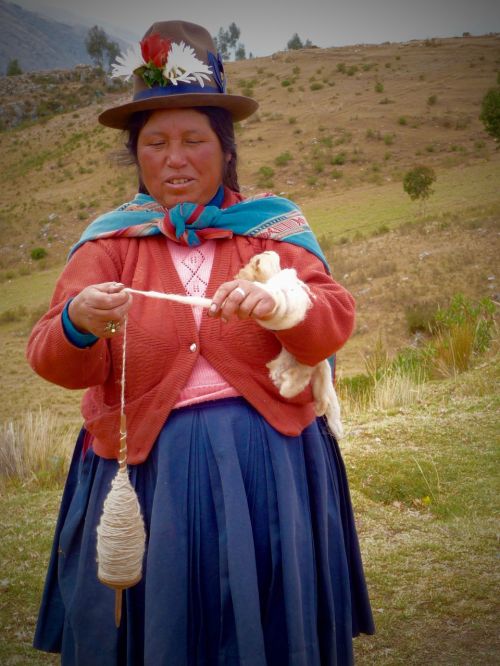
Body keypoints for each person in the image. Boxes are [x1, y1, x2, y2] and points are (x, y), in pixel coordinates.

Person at [27, 20, 374, 666]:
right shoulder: (109, 244)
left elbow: (333, 319)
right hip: (150, 477)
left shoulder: (271, 230)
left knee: (267, 633)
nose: (175, 158)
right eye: (155, 143)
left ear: (226, 148)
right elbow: (50, 352)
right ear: (136, 155)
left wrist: (281, 304)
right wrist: (79, 320)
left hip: (271, 471)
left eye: (194, 139)